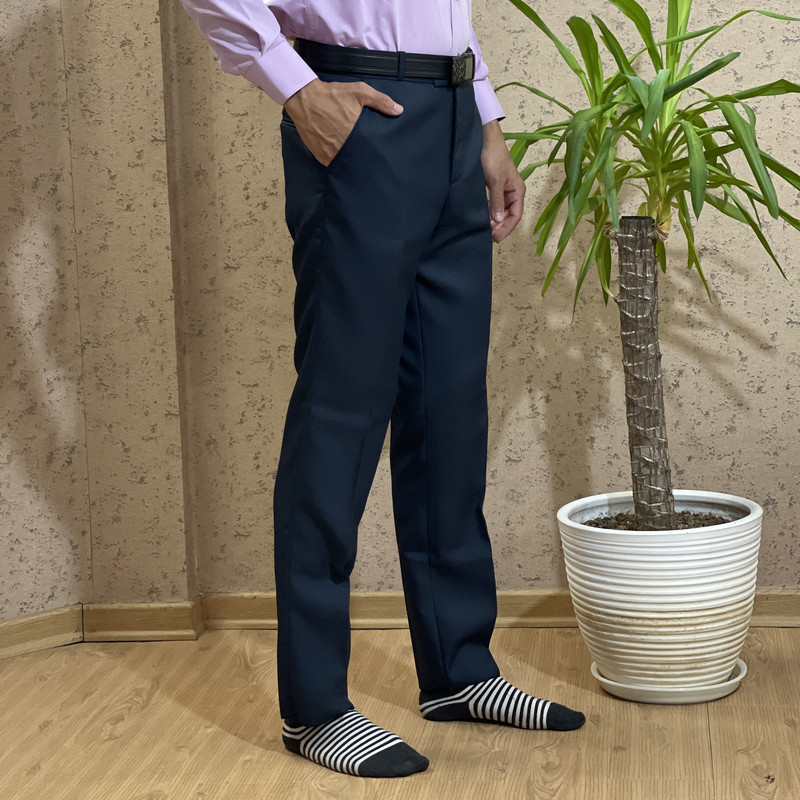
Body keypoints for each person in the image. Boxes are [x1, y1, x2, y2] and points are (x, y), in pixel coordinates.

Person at [179, 0, 586, 779]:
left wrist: (487, 125)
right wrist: (297, 89)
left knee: (449, 408)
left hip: (454, 116)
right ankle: (315, 709)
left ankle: (460, 671)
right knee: (342, 410)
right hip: (363, 115)